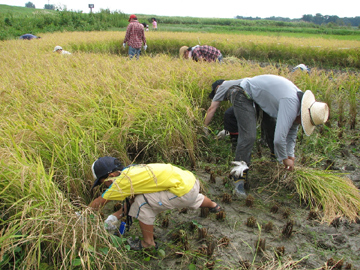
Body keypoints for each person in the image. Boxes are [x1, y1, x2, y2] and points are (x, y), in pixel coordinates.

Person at [204, 74, 329, 196]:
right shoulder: (291, 104)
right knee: (249, 136)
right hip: (242, 92)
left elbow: (291, 135)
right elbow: (279, 140)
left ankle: (274, 160)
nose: (301, 123)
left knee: (270, 125)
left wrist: (291, 156)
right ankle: (238, 179)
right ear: (304, 114)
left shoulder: (300, 107)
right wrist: (284, 159)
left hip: (258, 97)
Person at [89, 156, 222, 250]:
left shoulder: (120, 182)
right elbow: (131, 200)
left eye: (103, 183)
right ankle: (214, 206)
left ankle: (148, 243)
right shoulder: (132, 170)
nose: (105, 186)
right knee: (190, 197)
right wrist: (115, 217)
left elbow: (99, 202)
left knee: (142, 203)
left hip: (184, 193)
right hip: (189, 182)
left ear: (111, 176)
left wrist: (82, 215)